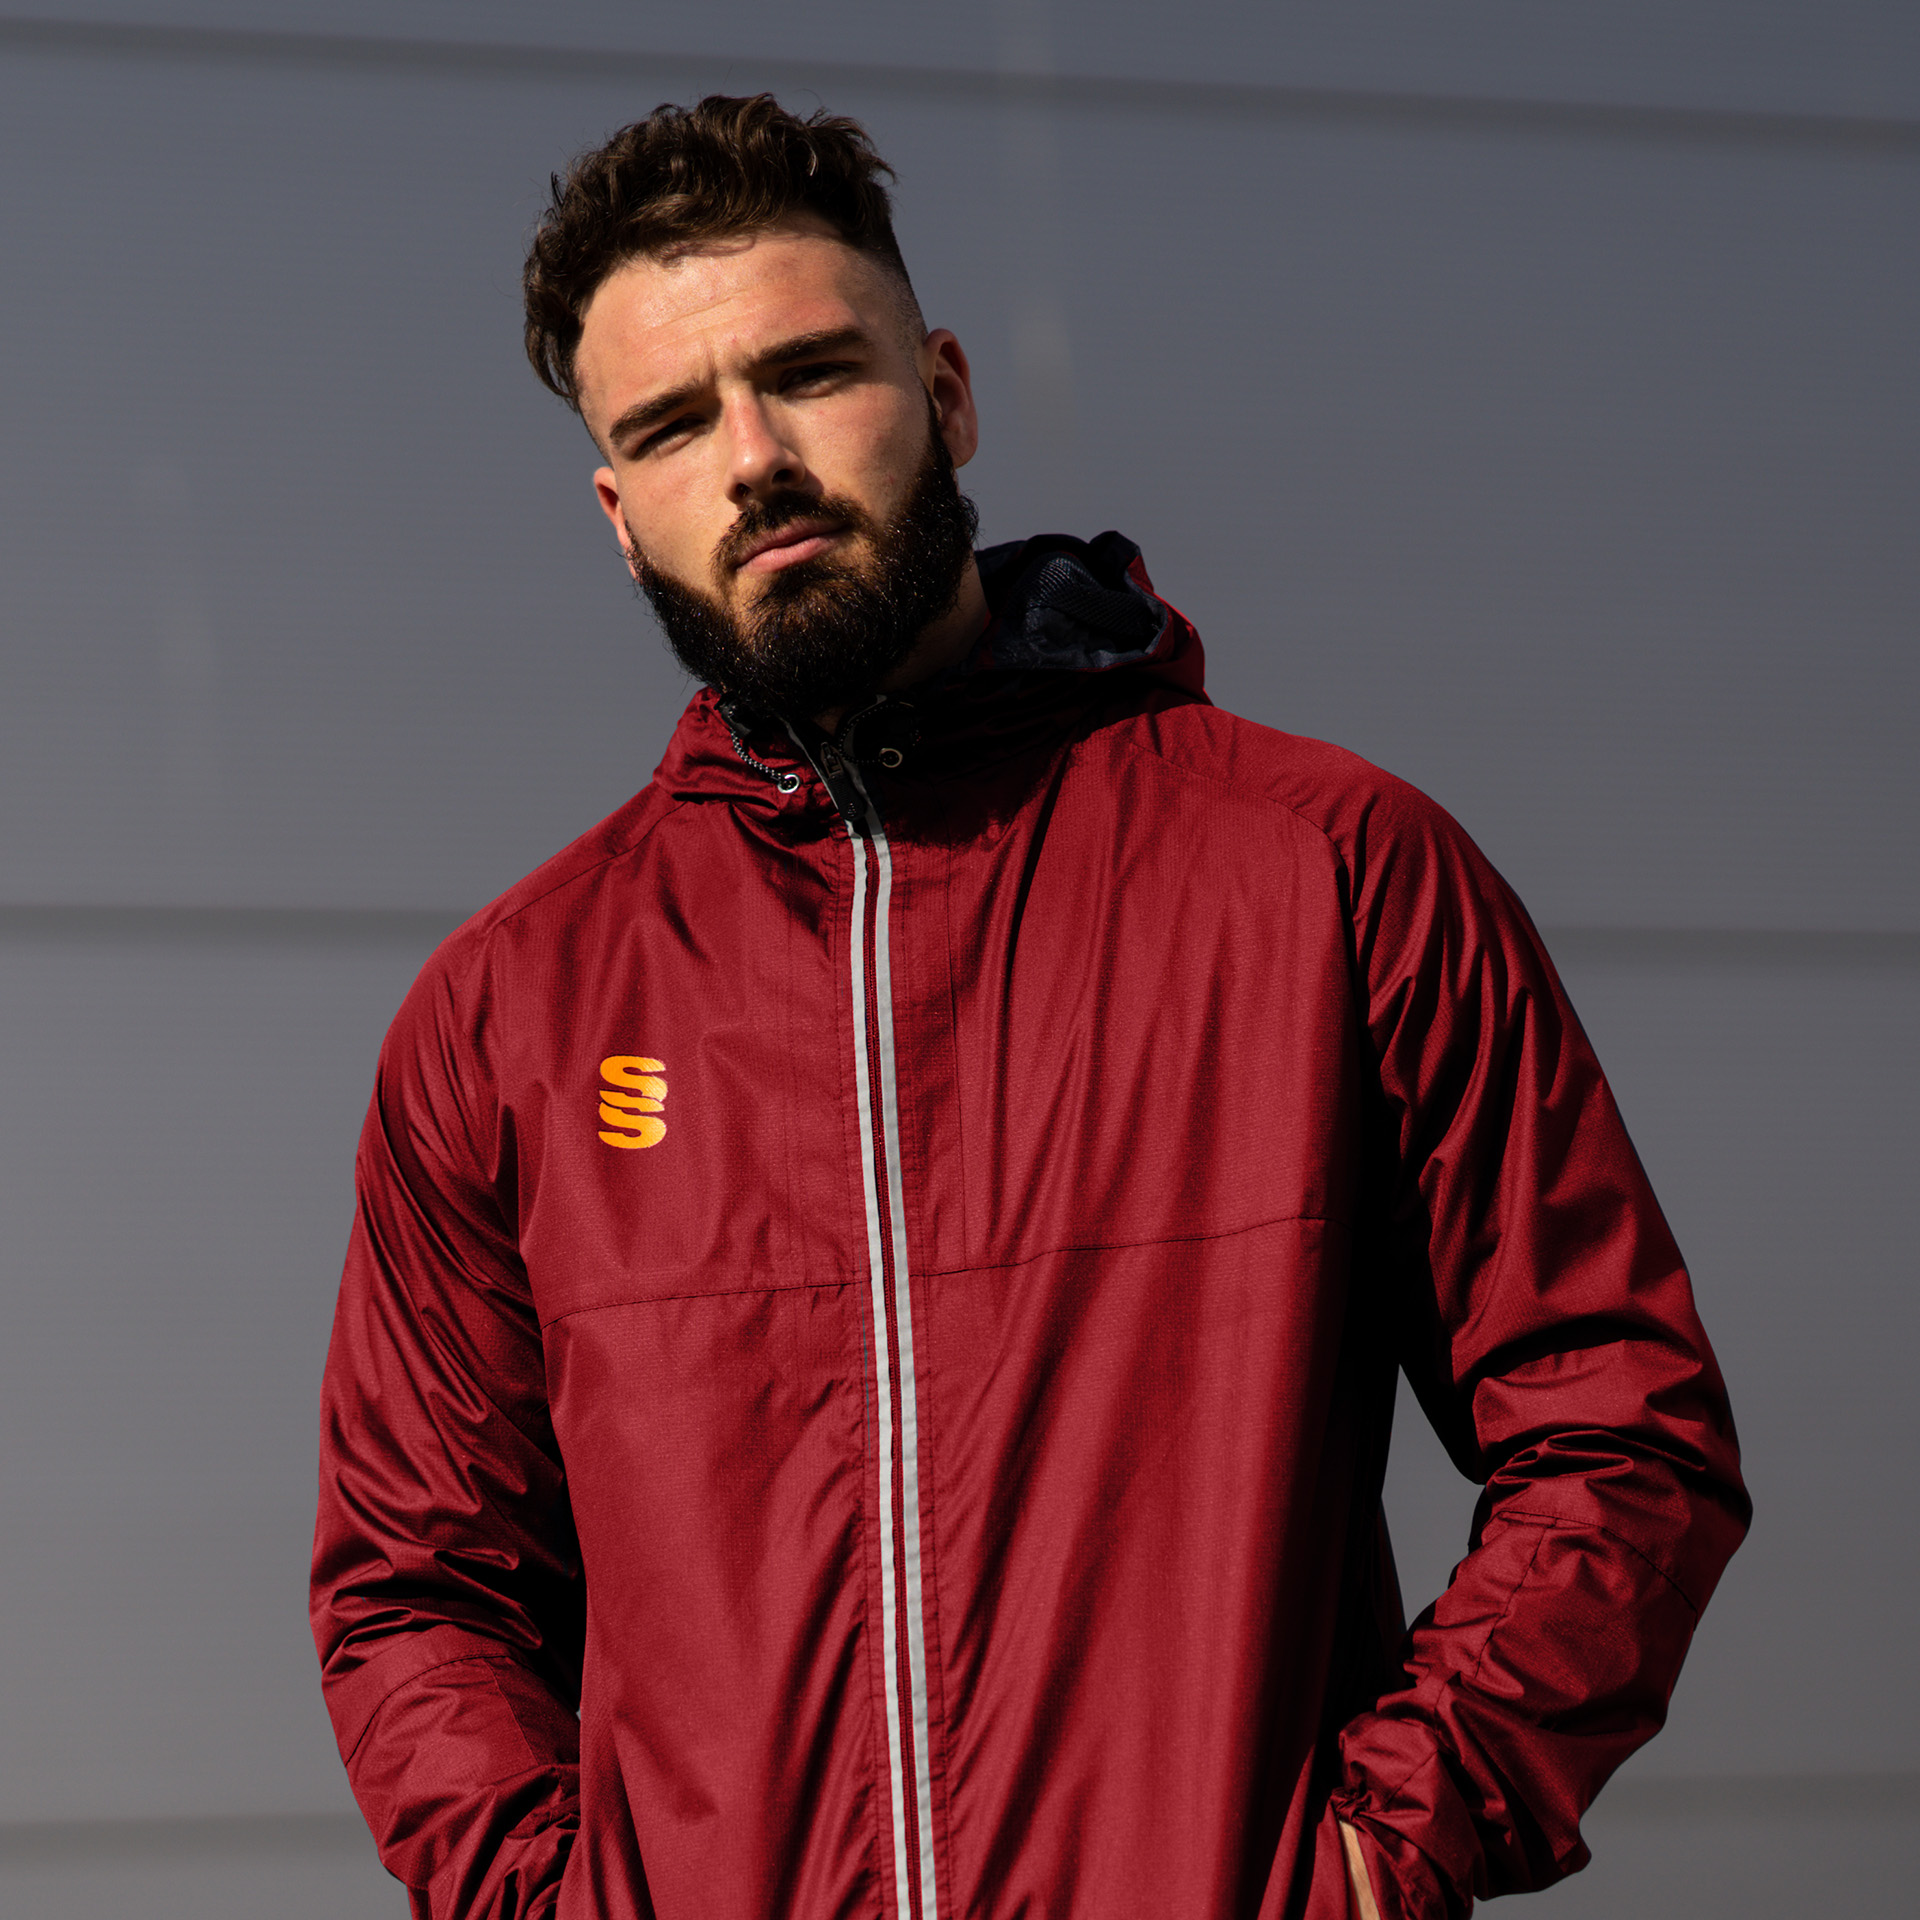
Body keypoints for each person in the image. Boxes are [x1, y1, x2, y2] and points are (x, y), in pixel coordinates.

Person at [311, 95, 1749, 1920]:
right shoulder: (508, 1015)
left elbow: (1619, 1434)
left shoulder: (1328, 873)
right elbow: (415, 1590)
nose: (753, 459)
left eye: (809, 373)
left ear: (947, 392)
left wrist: (1385, 1850)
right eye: (670, 424)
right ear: (618, 513)